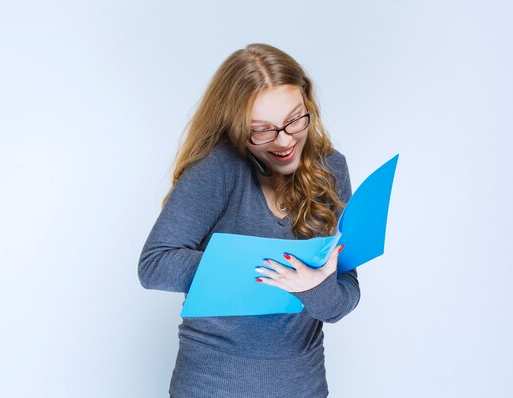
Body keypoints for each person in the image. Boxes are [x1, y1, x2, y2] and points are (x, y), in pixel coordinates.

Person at [138, 43, 360, 398]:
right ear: (237, 127)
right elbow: (154, 265)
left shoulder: (331, 169)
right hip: (212, 388)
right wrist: (264, 267)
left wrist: (313, 286)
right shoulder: (218, 169)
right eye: (264, 130)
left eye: (294, 119)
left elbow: (339, 299)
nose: (285, 140)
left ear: (308, 104)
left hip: (304, 386)